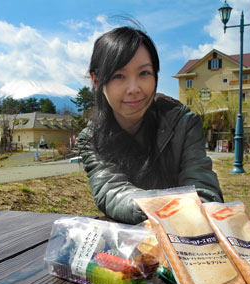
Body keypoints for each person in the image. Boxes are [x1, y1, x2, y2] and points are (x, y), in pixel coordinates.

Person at [78, 26, 224, 224]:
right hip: (132, 245)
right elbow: (111, 191)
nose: (134, 88)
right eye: (118, 76)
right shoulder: (91, 138)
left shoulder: (183, 123)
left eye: (144, 73)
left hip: (189, 236)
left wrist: (168, 210)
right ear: (96, 81)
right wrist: (164, 208)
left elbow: (204, 191)